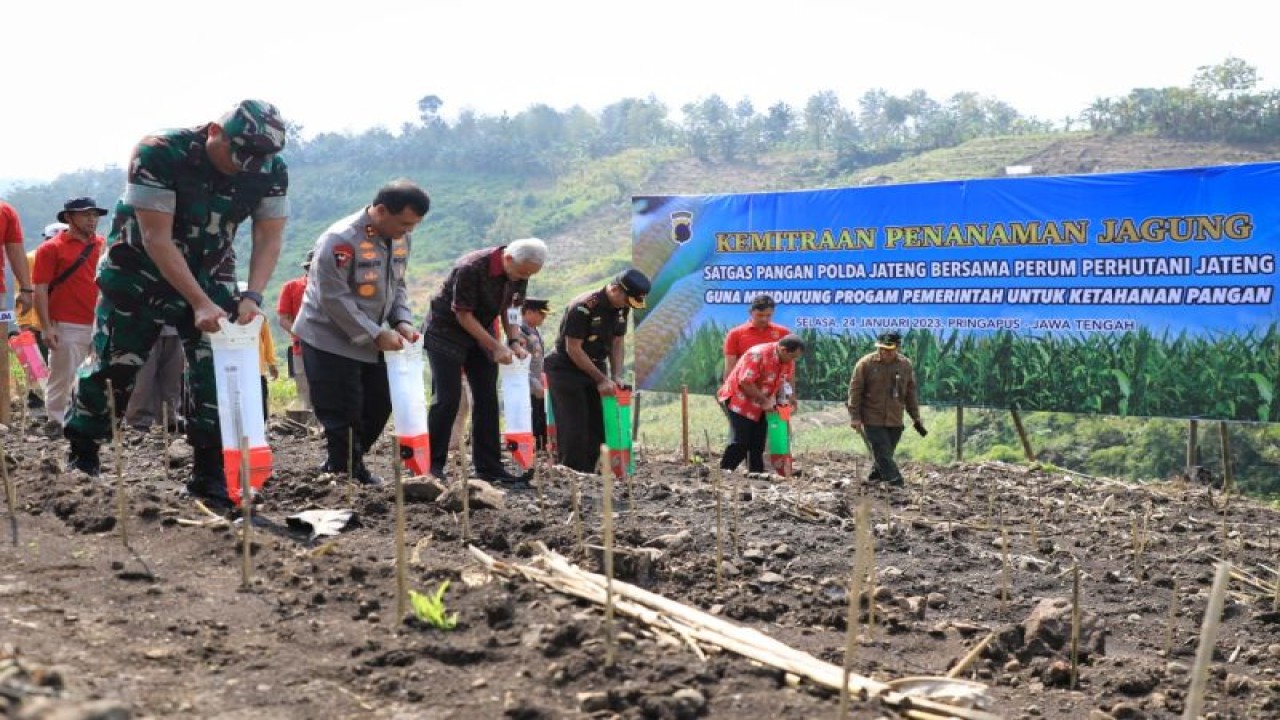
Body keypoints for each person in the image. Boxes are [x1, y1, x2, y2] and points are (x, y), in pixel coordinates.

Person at [63, 99, 289, 512]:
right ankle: (84, 450)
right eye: (237, 156)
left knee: (217, 371)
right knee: (115, 366)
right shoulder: (160, 152)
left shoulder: (269, 169)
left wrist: (252, 296)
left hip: (211, 271)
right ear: (213, 132)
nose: (243, 167)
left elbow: (269, 237)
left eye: (254, 161)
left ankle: (208, 472)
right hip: (139, 272)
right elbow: (156, 239)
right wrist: (199, 303)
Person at [292, 180, 428, 486]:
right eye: (404, 223)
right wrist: (375, 334)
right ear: (380, 211)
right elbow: (332, 297)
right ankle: (346, 475)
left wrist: (402, 321)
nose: (409, 231)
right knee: (343, 410)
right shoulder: (340, 240)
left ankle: (344, 461)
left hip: (375, 338)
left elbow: (397, 285)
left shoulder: (400, 239)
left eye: (414, 225)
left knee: (380, 403)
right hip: (329, 338)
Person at [423, 238, 547, 484]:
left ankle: (489, 467)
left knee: (487, 399)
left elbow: (512, 309)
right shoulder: (471, 267)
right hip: (447, 332)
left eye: (528, 275)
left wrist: (512, 340)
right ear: (508, 259)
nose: (522, 278)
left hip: (483, 334)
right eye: (522, 273)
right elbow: (463, 315)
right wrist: (496, 346)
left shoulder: (521, 271)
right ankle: (432, 466)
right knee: (447, 398)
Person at [544, 268, 649, 473]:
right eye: (627, 300)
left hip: (595, 366)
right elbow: (573, 348)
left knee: (597, 425)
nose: (628, 306)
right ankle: (572, 474)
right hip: (566, 368)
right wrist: (601, 379)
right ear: (616, 289)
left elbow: (618, 341)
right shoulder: (583, 307)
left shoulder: (622, 307)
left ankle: (590, 473)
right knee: (574, 426)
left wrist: (616, 375)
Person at [33, 198, 108, 429]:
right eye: (85, 215)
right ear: (68, 218)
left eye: (94, 215)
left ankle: (89, 421)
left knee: (95, 376)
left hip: (98, 322)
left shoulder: (103, 245)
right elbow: (41, 289)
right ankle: (57, 421)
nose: (92, 219)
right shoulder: (51, 248)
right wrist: (47, 326)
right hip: (66, 323)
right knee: (62, 376)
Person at [846, 330, 927, 486]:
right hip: (872, 417)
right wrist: (855, 416)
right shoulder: (865, 364)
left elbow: (910, 393)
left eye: (890, 349)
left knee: (884, 455)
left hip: (895, 419)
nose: (885, 352)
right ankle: (897, 484)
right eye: (882, 348)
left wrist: (915, 417)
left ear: (898, 347)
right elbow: (855, 391)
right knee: (882, 453)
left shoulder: (905, 365)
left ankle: (874, 482)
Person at [717, 335, 805, 473]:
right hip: (740, 399)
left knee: (758, 443)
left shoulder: (787, 361)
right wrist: (764, 401)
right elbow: (745, 382)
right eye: (792, 356)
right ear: (783, 350)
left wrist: (788, 400)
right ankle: (724, 472)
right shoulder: (758, 354)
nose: (793, 361)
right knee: (741, 441)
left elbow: (783, 381)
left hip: (762, 401)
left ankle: (756, 474)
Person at [17, 223, 64, 410]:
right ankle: (38, 405)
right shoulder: (31, 259)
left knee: (53, 367)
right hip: (35, 322)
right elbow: (25, 292)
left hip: (56, 320)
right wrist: (25, 322)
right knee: (35, 366)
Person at [0, 200, 36, 426]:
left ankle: (3, 415)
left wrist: (25, 289)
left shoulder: (5, 211)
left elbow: (14, 249)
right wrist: (25, 289)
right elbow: (16, 251)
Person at [124, 325, 185, 431]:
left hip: (176, 326)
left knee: (172, 378)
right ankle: (138, 420)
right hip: (145, 326)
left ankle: (169, 418)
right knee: (143, 378)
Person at [723, 294, 790, 382]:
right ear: (750, 312)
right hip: (744, 386)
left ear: (773, 313)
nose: (764, 319)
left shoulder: (783, 333)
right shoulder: (735, 334)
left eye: (768, 315)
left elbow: (790, 365)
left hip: (774, 387)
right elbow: (730, 368)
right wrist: (727, 391)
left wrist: (792, 394)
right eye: (760, 315)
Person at [276, 251, 313, 412]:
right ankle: (311, 428)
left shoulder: (335, 287)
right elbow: (283, 319)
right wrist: (303, 334)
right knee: (305, 388)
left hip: (332, 347)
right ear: (308, 268)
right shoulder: (292, 287)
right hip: (301, 346)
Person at [519, 298, 550, 450]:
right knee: (530, 418)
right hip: (526, 384)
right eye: (541, 314)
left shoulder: (533, 330)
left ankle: (540, 448)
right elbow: (518, 363)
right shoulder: (519, 332)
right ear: (529, 312)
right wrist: (533, 382)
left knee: (539, 417)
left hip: (537, 383)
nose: (544, 318)